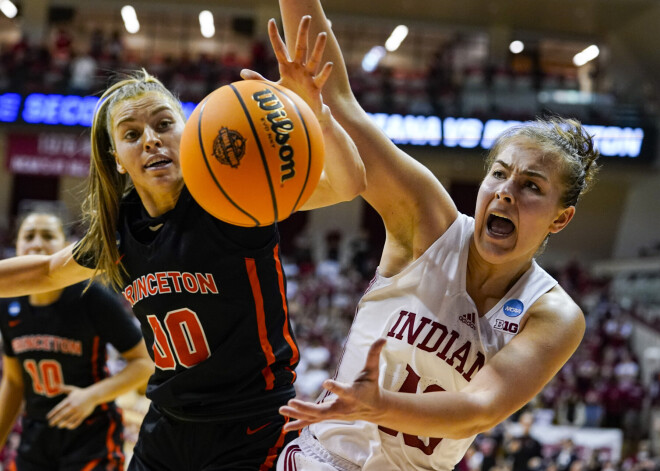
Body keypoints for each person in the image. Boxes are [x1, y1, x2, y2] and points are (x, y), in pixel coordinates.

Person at [0, 17, 365, 471]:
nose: (151, 140)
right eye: (132, 135)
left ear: (189, 129)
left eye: (163, 124)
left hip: (248, 425)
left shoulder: (233, 199)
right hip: (167, 426)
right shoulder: (119, 233)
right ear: (117, 161)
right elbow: (44, 270)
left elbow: (348, 184)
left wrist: (316, 111)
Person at [245, 3, 599, 470]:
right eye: (499, 174)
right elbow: (338, 101)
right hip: (321, 460)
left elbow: (480, 408)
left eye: (531, 186)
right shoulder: (430, 223)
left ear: (561, 219)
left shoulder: (553, 314)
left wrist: (380, 405)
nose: (506, 193)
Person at [0, 211, 153, 470]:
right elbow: (14, 382)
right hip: (36, 434)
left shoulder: (91, 296)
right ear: (16, 247)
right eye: (29, 236)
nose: (37, 243)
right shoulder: (7, 304)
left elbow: (145, 362)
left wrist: (91, 396)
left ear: (64, 247)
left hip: (91, 435)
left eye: (48, 236)